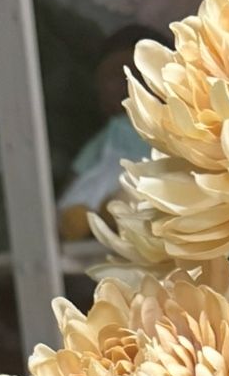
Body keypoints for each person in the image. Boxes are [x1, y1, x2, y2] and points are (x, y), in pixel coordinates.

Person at [58, 22, 173, 238]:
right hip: (103, 200)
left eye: (137, 76)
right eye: (113, 78)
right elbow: (79, 171)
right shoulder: (111, 134)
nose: (124, 86)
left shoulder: (171, 129)